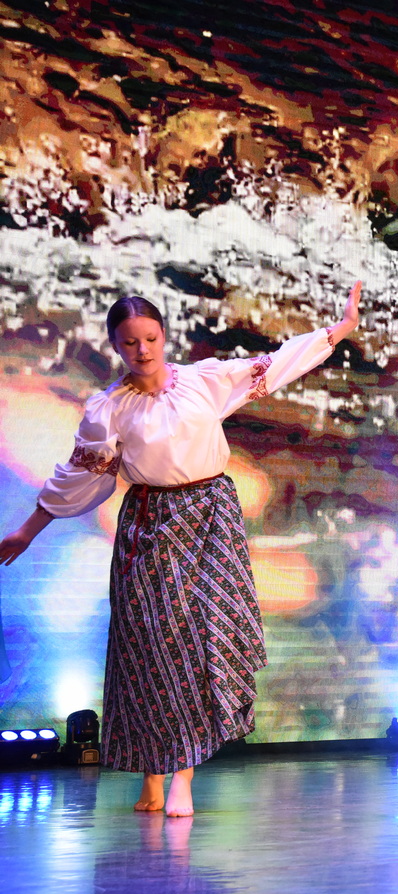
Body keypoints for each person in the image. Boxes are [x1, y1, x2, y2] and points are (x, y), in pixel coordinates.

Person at [0, 284, 363, 816]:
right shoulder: (110, 408)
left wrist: (339, 329)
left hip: (211, 519)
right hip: (151, 525)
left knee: (200, 645)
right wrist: (29, 530)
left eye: (150, 338)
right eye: (130, 342)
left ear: (163, 336)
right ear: (116, 346)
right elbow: (77, 477)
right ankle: (152, 772)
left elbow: (275, 364)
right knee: (148, 647)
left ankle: (183, 778)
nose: (142, 349)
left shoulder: (203, 381)